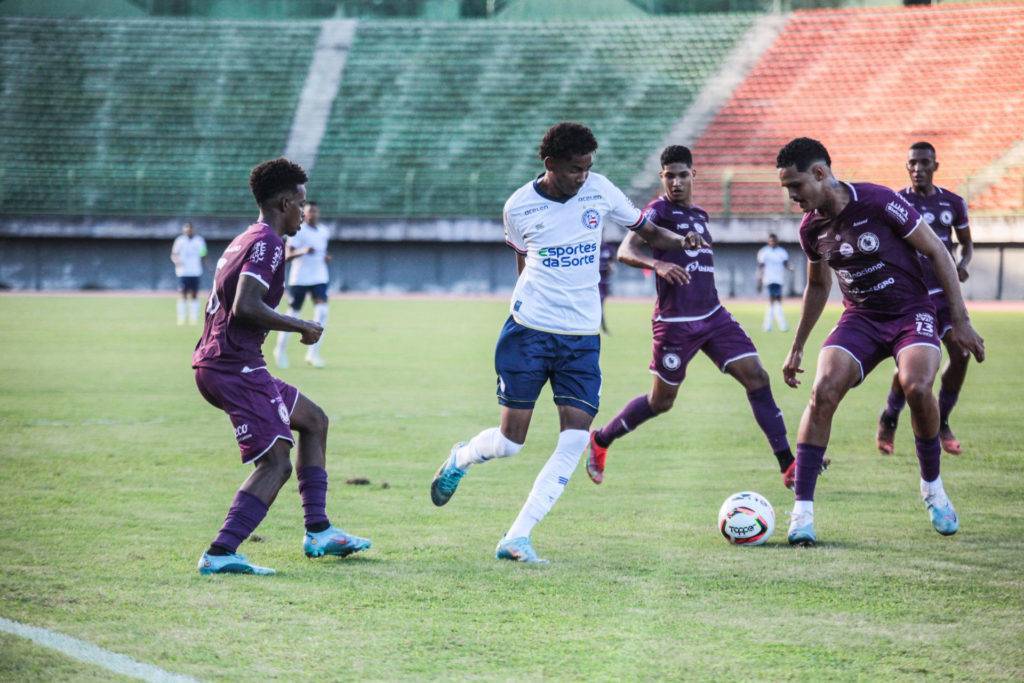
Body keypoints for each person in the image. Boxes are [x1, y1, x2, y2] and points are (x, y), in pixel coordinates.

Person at [429, 122, 694, 564]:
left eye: (589, 168)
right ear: (550, 165)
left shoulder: (601, 191)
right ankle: (463, 456)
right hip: (529, 332)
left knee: (574, 439)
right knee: (513, 442)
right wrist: (527, 303)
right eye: (575, 169)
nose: (583, 177)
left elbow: (649, 232)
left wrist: (682, 241)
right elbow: (521, 255)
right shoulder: (518, 206)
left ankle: (518, 536)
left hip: (582, 338)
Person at [776, 137, 984, 546]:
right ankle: (802, 514)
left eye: (795, 186)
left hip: (911, 312)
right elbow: (818, 286)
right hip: (861, 318)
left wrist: (960, 320)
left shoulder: (877, 200)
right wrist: (798, 344)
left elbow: (939, 252)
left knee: (918, 385)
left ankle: (932, 488)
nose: (792, 196)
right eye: (787, 189)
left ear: (819, 173)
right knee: (822, 390)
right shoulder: (810, 229)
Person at [584, 145, 801, 490]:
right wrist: (659, 264)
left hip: (714, 316)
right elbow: (626, 251)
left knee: (757, 377)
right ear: (662, 178)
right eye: (670, 175)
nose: (677, 182)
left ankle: (789, 465)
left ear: (693, 175)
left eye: (683, 174)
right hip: (675, 324)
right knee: (661, 402)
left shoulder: (700, 215)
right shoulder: (657, 210)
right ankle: (601, 440)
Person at [192, 158, 370, 575]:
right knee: (275, 462)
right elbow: (245, 306)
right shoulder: (268, 242)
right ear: (285, 202)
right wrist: (301, 324)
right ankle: (221, 552)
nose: (304, 215)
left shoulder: (247, 239)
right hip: (233, 367)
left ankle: (319, 531)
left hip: (229, 362)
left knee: (312, 420)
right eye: (301, 205)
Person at [877, 142, 974, 456]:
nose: (917, 168)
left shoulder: (954, 203)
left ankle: (943, 420)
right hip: (912, 296)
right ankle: (890, 415)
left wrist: (961, 265)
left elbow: (966, 244)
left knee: (960, 355)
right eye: (912, 163)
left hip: (945, 295)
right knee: (913, 368)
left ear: (935, 165)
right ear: (907, 167)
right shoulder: (896, 201)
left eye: (923, 163)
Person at [273, 201, 331, 368]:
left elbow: (321, 252)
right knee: (293, 314)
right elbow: (287, 256)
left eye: (315, 211)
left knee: (322, 311)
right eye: (309, 211)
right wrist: (302, 251)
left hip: (319, 277)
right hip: (300, 279)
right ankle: (280, 349)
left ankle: (313, 354)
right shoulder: (298, 231)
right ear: (304, 214)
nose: (312, 214)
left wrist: (325, 257)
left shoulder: (324, 232)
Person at [170, 222, 207, 325]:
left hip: (195, 271)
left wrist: (204, 262)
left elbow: (203, 253)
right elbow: (174, 255)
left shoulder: (199, 240)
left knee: (194, 295)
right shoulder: (179, 241)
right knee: (182, 294)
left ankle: (193, 318)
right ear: (183, 230)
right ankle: (181, 318)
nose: (188, 230)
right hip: (183, 272)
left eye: (190, 228)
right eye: (186, 229)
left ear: (193, 229)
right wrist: (177, 261)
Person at [757, 233, 793, 332]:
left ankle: (769, 326)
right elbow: (760, 267)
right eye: (771, 240)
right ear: (768, 241)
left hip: (779, 280)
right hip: (769, 280)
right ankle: (778, 325)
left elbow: (786, 264)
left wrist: (791, 268)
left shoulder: (782, 252)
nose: (772, 242)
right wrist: (759, 279)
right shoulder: (764, 252)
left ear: (777, 241)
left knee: (776, 302)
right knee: (774, 301)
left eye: (774, 240)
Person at [598, 240, 616, 333]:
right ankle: (602, 326)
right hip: (593, 282)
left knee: (601, 305)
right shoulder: (592, 245)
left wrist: (610, 267)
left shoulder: (608, 249)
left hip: (604, 282)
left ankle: (602, 325)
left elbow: (612, 265)